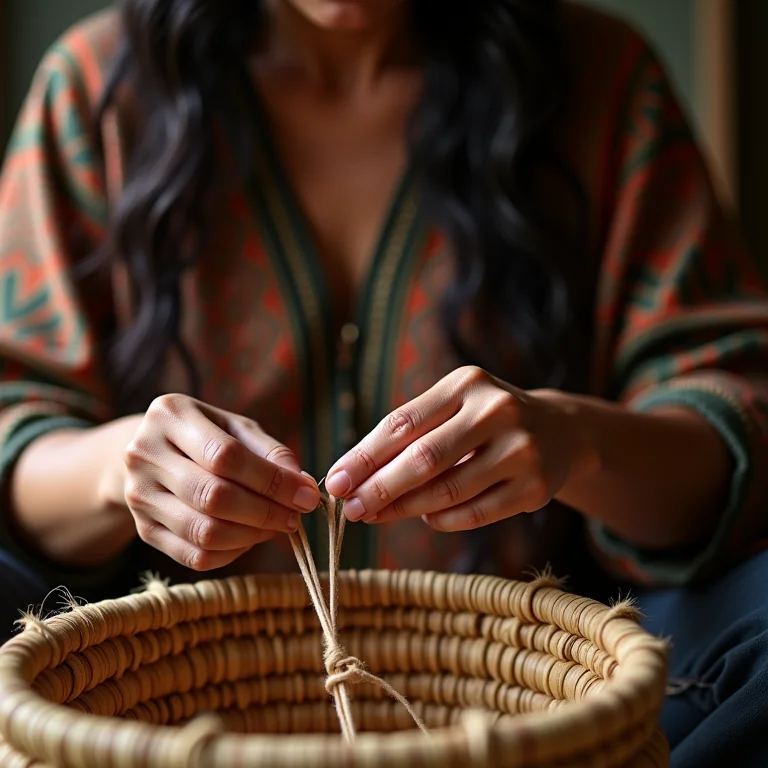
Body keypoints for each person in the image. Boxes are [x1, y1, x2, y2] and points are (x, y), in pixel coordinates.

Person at [0, 0, 766, 764]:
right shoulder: (100, 90)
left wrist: (578, 441)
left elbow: (730, 424)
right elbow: (17, 419)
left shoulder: (601, 81)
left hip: (535, 693)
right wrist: (117, 466)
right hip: (154, 698)